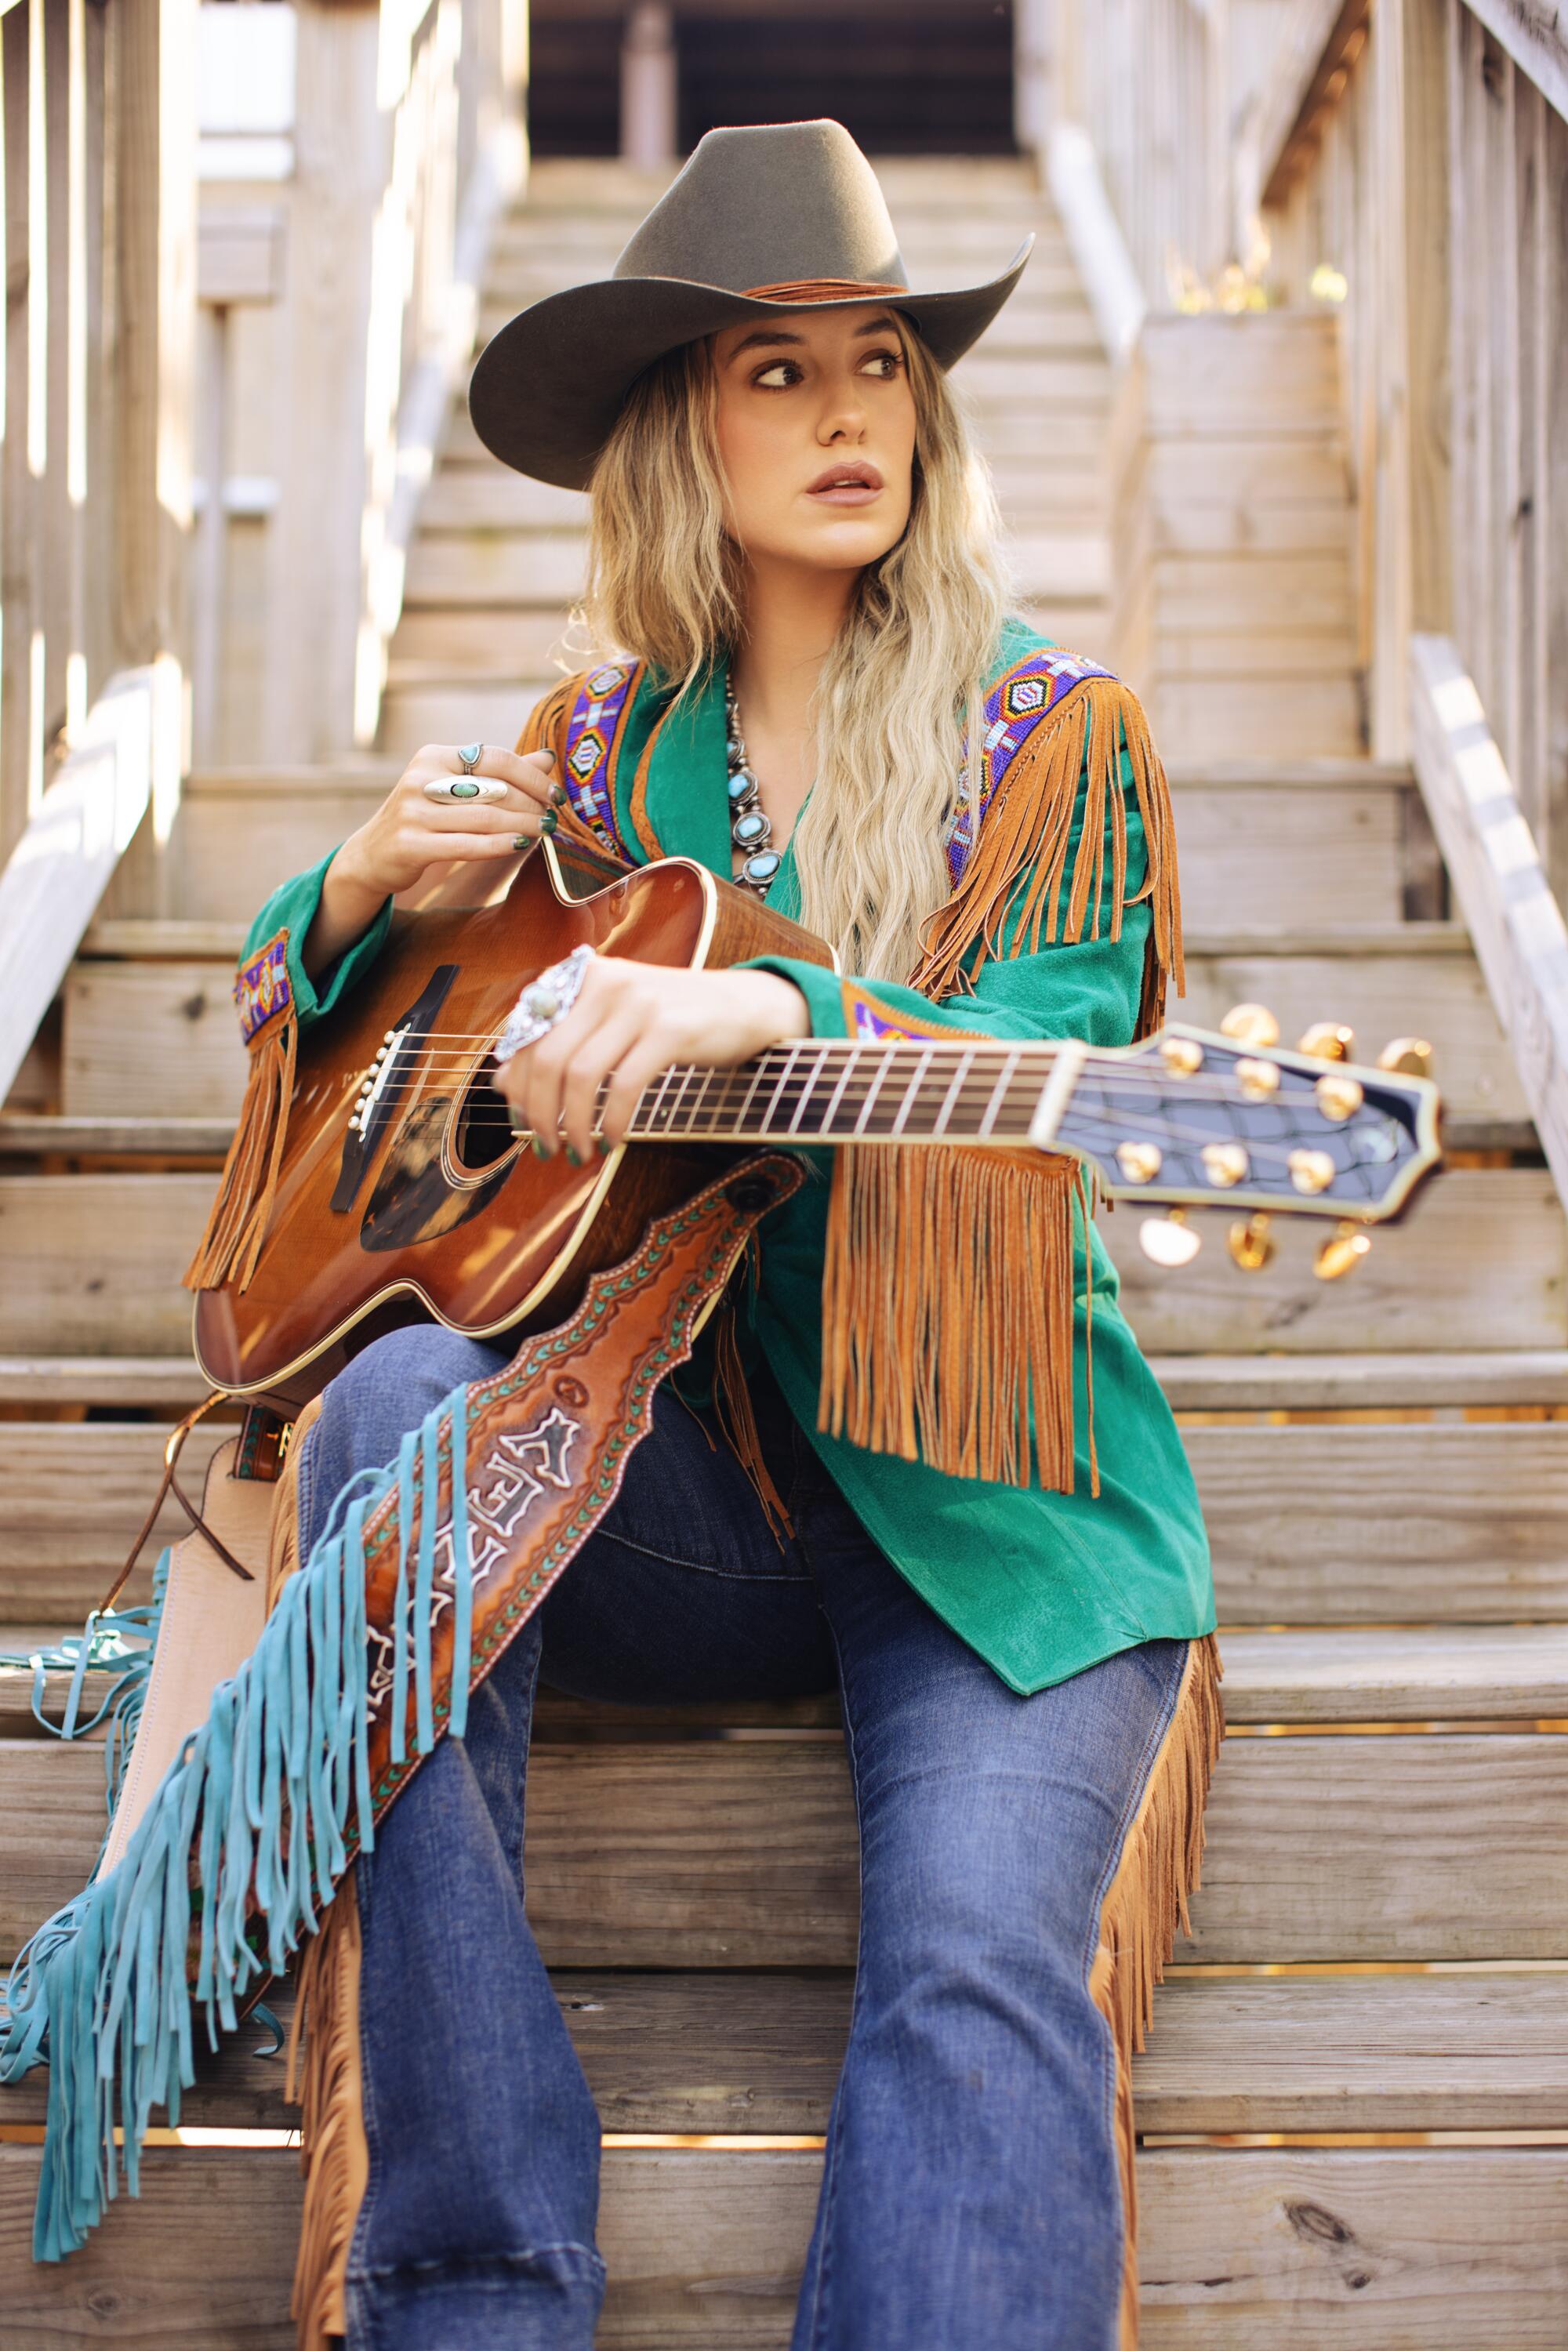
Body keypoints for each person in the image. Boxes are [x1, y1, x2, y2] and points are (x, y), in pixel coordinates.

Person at [241, 121, 1218, 2351]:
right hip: (690, 1489)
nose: (851, 411)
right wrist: (352, 904)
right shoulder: (594, 757)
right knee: (396, 1404)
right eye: (779, 371)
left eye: (878, 362)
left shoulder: (1059, 741)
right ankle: (474, 2282)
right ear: (685, 424)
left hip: (992, 1491)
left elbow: (1048, 1063)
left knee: (979, 1960)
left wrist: (773, 1004)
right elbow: (361, 1077)